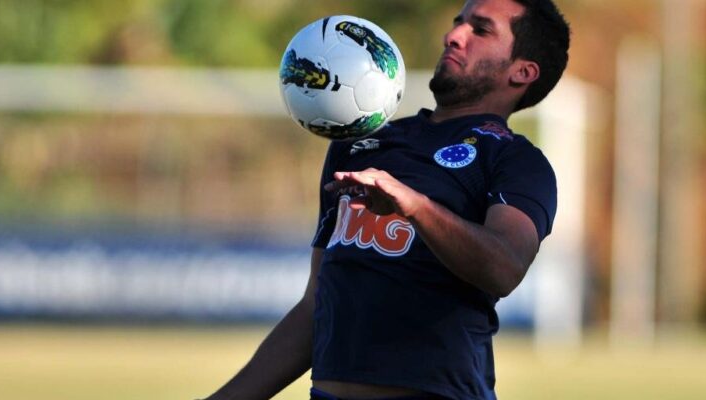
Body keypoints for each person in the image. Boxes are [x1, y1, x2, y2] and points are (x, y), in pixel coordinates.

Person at [203, 0, 569, 398]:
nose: (454, 36)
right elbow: (316, 306)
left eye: (480, 30)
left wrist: (415, 207)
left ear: (523, 71)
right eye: (457, 23)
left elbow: (504, 266)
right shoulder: (360, 144)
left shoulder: (517, 161)